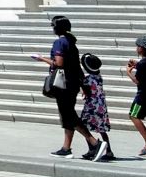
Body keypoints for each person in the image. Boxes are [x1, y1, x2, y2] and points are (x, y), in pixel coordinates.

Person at [30, 14, 100, 157]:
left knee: (69, 115)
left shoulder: (60, 43)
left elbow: (59, 64)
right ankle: (66, 148)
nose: (52, 29)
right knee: (68, 115)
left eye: (53, 26)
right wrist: (83, 86)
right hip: (73, 84)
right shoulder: (71, 42)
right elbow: (77, 67)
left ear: (57, 28)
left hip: (63, 85)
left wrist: (41, 58)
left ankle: (94, 143)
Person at [78, 53, 116, 161]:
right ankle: (109, 151)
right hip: (101, 105)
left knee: (84, 127)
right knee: (101, 129)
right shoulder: (99, 77)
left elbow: (85, 89)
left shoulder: (87, 79)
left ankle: (92, 148)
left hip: (91, 105)